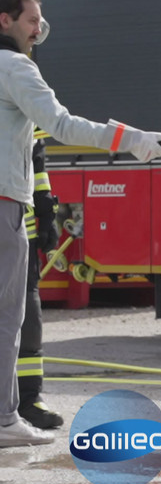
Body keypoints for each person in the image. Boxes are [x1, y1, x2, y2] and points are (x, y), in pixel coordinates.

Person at [0, 0, 161, 448]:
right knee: (6, 316)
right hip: (3, 203)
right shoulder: (16, 67)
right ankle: (3, 420)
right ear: (5, 22)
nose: (39, 28)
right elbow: (63, 125)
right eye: (32, 19)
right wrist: (133, 139)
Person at [16, 136, 62, 429]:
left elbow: (38, 165)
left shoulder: (22, 97)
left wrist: (46, 215)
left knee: (29, 319)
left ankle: (29, 400)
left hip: (22, 229)